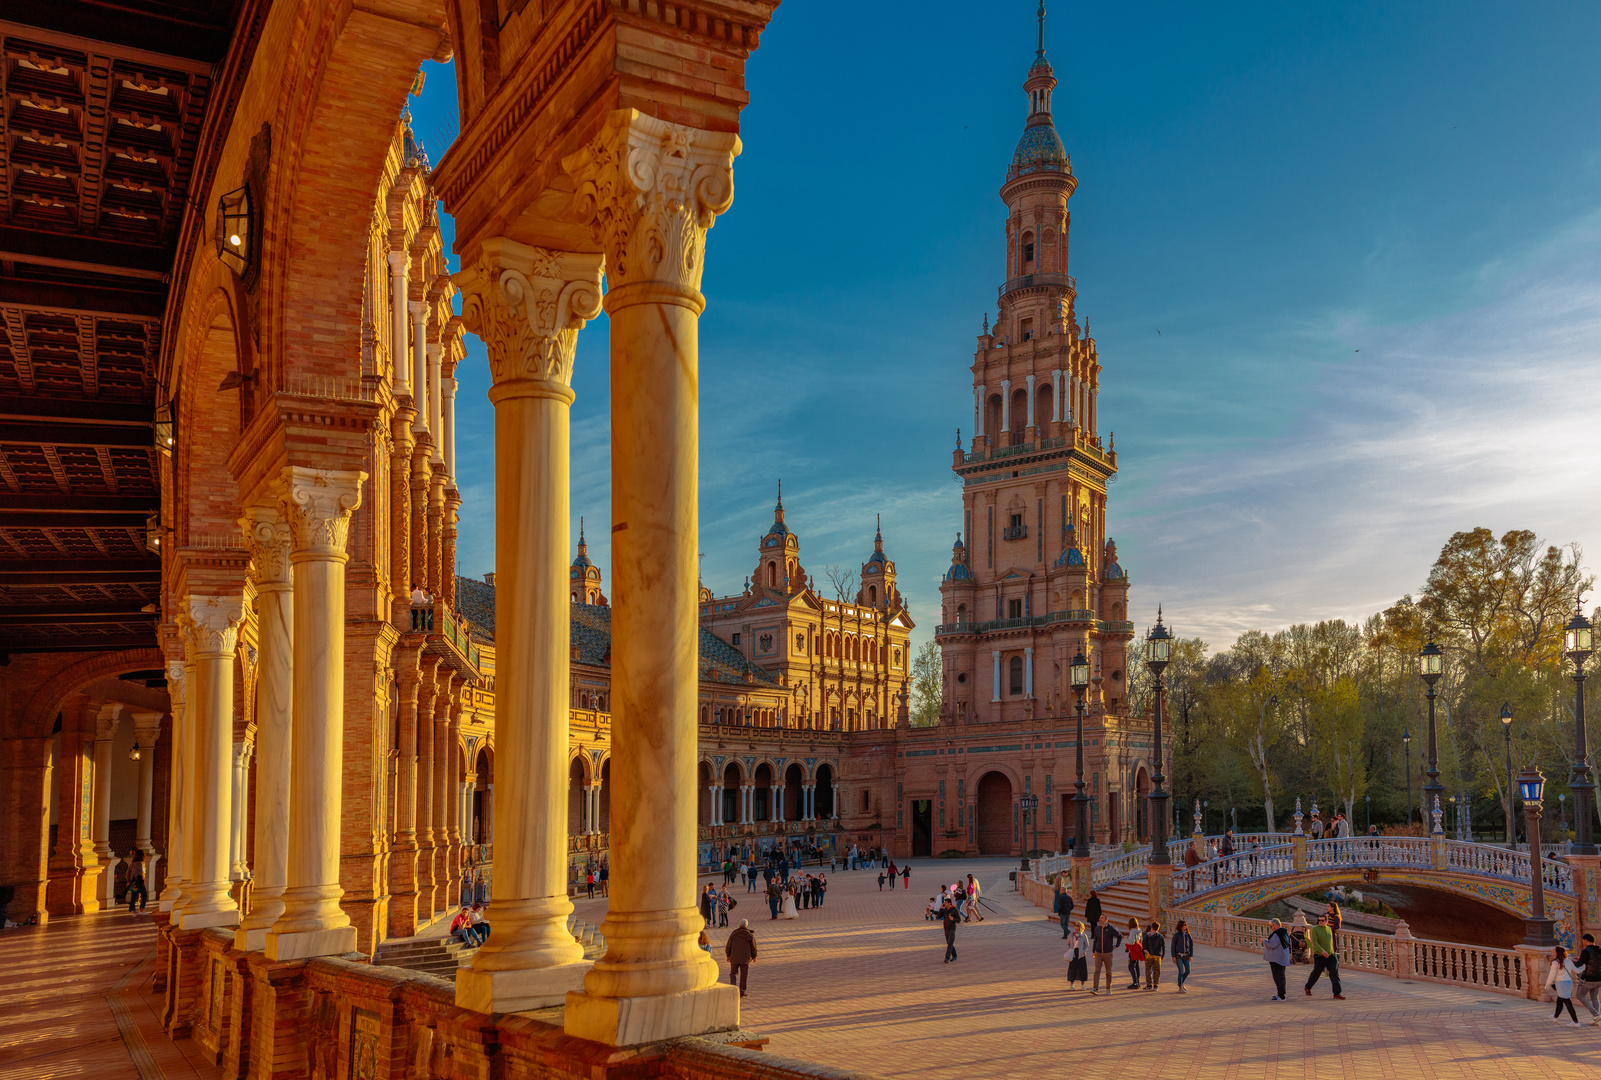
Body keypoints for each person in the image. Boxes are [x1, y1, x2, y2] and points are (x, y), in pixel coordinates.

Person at [1304, 913, 1344, 999]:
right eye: (1319, 920)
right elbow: (1315, 942)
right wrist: (1322, 951)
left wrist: (1332, 952)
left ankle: (1337, 993)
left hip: (1331, 955)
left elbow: (1330, 942)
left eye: (1322, 920)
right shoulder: (1315, 929)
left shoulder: (1329, 929)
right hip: (1319, 955)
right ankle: (1307, 987)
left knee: (1334, 973)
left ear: (1326, 921)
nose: (1320, 922)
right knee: (1316, 973)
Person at [1089, 913, 1123, 995]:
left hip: (1108, 953)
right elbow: (1095, 941)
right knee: (1097, 970)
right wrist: (1094, 951)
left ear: (1106, 920)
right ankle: (1095, 988)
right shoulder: (1097, 928)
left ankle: (1108, 988)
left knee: (1108, 971)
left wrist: (1116, 945)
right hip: (1098, 953)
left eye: (1102, 918)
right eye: (1100, 918)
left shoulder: (1110, 928)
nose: (1100, 919)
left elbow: (1119, 936)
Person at [1548, 945, 1582, 1025]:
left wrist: (1548, 983)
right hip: (1568, 983)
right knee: (1560, 1000)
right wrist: (1582, 967)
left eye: (1553, 950)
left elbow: (1552, 975)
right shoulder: (1568, 960)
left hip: (1561, 984)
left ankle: (1576, 1022)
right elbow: (1576, 970)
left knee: (1567, 1002)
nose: (1552, 951)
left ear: (1557, 952)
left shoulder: (1555, 962)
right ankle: (1555, 1017)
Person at [726, 919, 757, 997]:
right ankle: (742, 991)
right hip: (745, 959)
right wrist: (754, 956)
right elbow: (753, 947)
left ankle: (733, 989)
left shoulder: (734, 934)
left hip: (734, 958)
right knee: (744, 974)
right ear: (746, 926)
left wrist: (728, 955)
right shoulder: (749, 935)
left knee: (733, 973)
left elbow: (728, 946)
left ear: (739, 926)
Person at [1263, 918, 1292, 1000]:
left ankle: (1281, 995)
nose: (1271, 928)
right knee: (1281, 977)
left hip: (1277, 959)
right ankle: (1281, 994)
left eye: (1271, 926)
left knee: (1278, 977)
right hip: (1282, 958)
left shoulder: (1277, 934)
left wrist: (1264, 941)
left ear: (1275, 925)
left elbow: (1272, 945)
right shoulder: (1284, 932)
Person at [1575, 933, 1601, 1024]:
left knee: (1579, 995)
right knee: (1594, 997)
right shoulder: (1600, 949)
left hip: (1588, 979)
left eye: (1583, 941)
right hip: (1599, 979)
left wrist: (1573, 961)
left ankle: (1596, 1015)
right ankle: (1596, 1018)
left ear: (1586, 940)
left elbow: (1578, 964)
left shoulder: (1586, 951)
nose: (1583, 943)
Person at [1064, 920, 1090, 990]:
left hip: (1081, 953)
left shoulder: (1083, 935)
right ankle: (1072, 984)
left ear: (1081, 927)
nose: (1076, 927)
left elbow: (1087, 945)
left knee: (1082, 969)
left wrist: (1083, 952)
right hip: (1073, 953)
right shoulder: (1071, 935)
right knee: (1072, 969)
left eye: (1077, 926)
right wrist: (1069, 950)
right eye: (1075, 925)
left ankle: (1083, 984)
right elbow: (1067, 944)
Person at [1171, 919, 1194, 994]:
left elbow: (1191, 946)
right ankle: (1180, 987)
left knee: (1188, 971)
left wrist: (1191, 955)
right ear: (1180, 926)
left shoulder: (1188, 935)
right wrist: (1173, 956)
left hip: (1186, 955)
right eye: (1183, 925)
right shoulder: (1177, 935)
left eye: (1185, 925)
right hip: (1179, 956)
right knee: (1181, 971)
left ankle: (1181, 982)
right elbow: (1173, 946)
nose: (1185, 926)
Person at [1141, 920, 1165, 990]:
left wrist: (1144, 952)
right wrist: (1163, 955)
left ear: (1151, 927)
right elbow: (1163, 946)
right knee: (1157, 970)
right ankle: (1156, 985)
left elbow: (1143, 945)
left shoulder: (1147, 935)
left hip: (1149, 955)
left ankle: (1149, 985)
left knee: (1148, 970)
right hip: (1157, 955)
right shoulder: (1161, 936)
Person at [1124, 919, 1145, 989]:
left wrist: (1126, 940)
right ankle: (1137, 981)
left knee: (1131, 966)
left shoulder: (1133, 931)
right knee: (1136, 965)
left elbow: (1131, 942)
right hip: (1137, 948)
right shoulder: (1139, 930)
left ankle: (1135, 982)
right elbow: (1140, 940)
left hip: (1133, 950)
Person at [126, 849, 147, 914]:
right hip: (138, 881)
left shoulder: (132, 863)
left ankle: (132, 909)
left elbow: (128, 873)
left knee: (134, 896)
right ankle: (142, 908)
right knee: (144, 895)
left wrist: (129, 881)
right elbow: (137, 873)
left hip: (133, 882)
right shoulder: (139, 863)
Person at [941, 896, 960, 963]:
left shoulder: (955, 910)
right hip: (946, 929)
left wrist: (953, 919)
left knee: (949, 944)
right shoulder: (945, 910)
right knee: (949, 943)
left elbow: (959, 920)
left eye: (945, 903)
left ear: (949, 903)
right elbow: (939, 916)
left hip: (952, 929)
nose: (944, 904)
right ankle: (954, 956)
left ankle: (947, 958)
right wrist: (941, 908)